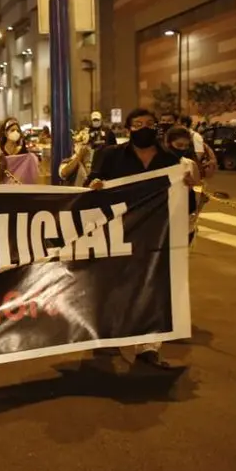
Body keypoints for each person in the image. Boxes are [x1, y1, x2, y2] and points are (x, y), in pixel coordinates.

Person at [86, 108, 195, 369]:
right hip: (117, 230)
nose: (143, 128)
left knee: (153, 284)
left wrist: (189, 186)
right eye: (137, 124)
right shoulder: (110, 156)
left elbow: (185, 201)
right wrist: (97, 184)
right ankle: (110, 333)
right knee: (115, 283)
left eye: (149, 123)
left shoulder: (171, 161)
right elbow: (92, 182)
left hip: (155, 232)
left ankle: (148, 345)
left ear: (156, 128)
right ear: (128, 128)